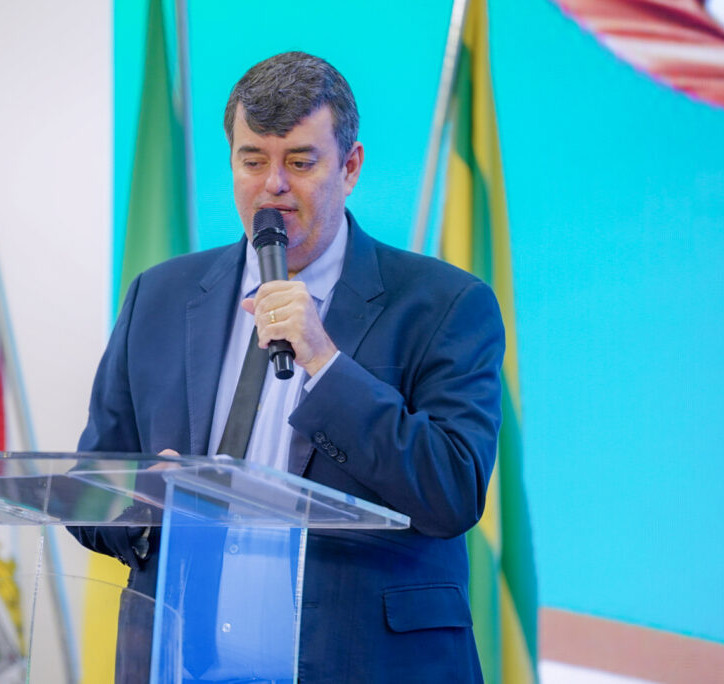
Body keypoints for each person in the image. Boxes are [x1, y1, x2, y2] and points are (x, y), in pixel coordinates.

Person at [75, 51, 504, 683]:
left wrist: (325, 363)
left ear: (349, 167)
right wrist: (145, 504)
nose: (273, 185)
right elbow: (90, 485)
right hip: (182, 666)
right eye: (253, 161)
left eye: (300, 162)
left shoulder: (444, 305)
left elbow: (453, 492)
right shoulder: (159, 296)